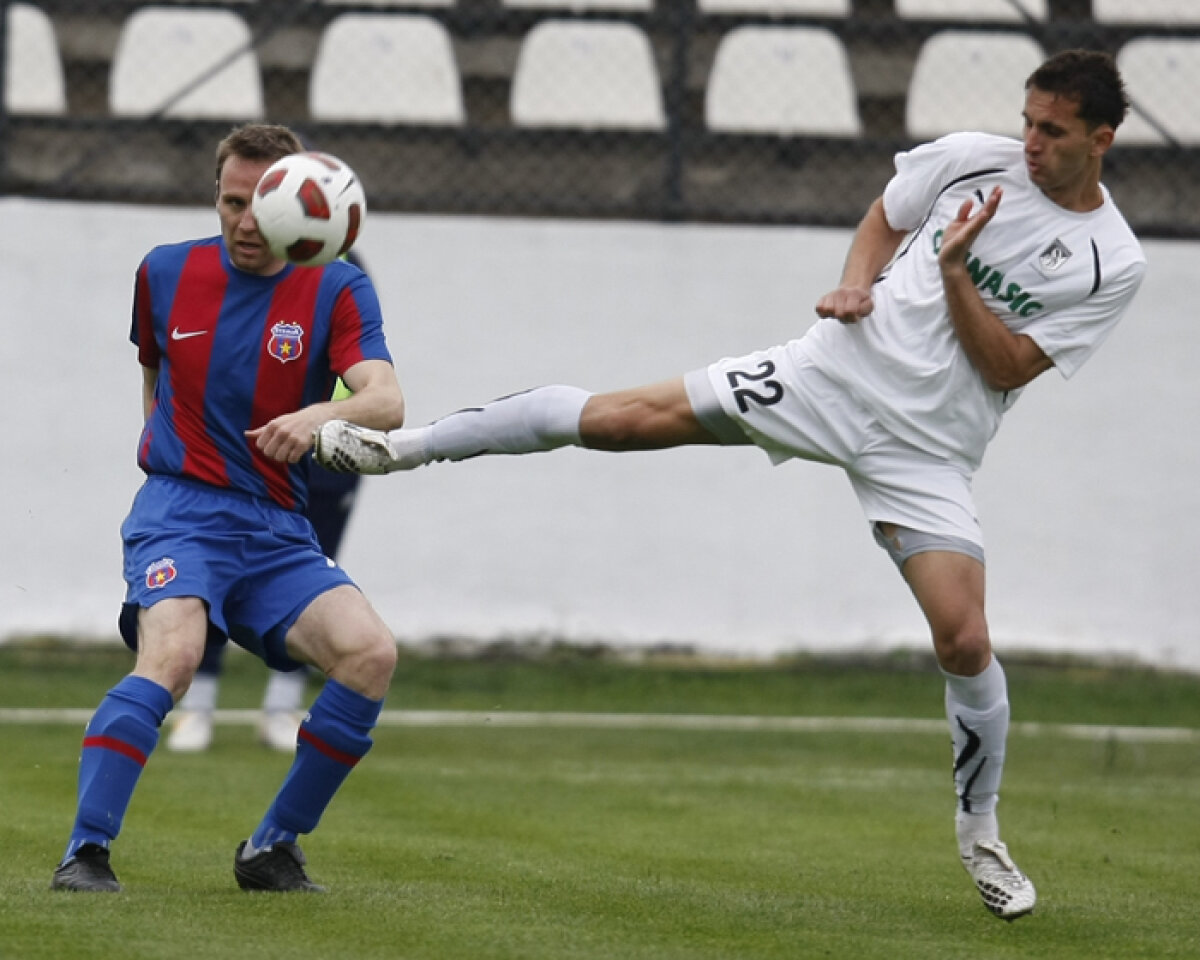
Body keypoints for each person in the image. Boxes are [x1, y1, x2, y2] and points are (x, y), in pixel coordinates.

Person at [313, 50, 1146, 920]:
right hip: (830, 376)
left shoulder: (1110, 262)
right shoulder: (972, 158)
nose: (1032, 142)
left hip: (927, 452)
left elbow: (1009, 360)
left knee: (965, 639)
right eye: (1028, 121)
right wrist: (855, 286)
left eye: (1052, 131)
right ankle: (409, 448)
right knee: (616, 420)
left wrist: (955, 273)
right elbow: (883, 215)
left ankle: (981, 835)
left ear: (1102, 139)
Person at [51, 123, 406, 894]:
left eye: (260, 205)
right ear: (216, 195)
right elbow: (156, 375)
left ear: (298, 207)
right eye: (231, 201)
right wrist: (167, 459)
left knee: (370, 654)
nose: (245, 221)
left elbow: (386, 400)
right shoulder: (165, 272)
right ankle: (86, 853)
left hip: (278, 526)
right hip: (180, 511)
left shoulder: (338, 285)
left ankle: (272, 848)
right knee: (173, 656)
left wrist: (316, 417)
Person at [166, 380, 364, 754]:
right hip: (247, 448)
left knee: (315, 580)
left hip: (328, 450)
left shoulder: (346, 320)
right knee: (216, 568)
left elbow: (373, 383)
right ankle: (197, 706)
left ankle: (282, 707)